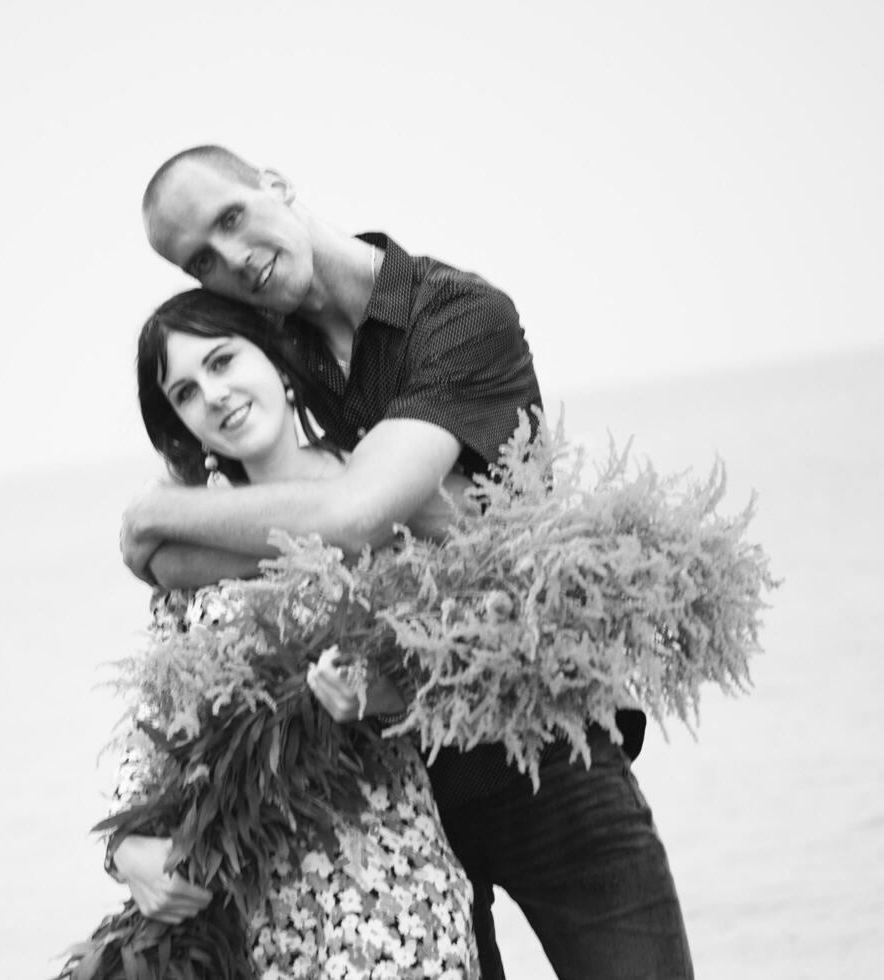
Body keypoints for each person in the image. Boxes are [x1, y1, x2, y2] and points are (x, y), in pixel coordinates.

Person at [120, 144, 695, 980]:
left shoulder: (455, 317)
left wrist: (149, 515)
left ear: (276, 184)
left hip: (541, 750)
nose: (232, 258)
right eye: (201, 259)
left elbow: (352, 514)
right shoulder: (275, 362)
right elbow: (183, 574)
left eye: (233, 218)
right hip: (403, 805)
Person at [114, 289, 479, 978]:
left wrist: (382, 691)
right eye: (187, 392)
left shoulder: (373, 490)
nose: (214, 396)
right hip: (252, 917)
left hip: (392, 900)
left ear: (278, 363)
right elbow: (153, 719)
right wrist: (125, 850)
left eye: (223, 362)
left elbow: (463, 672)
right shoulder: (189, 540)